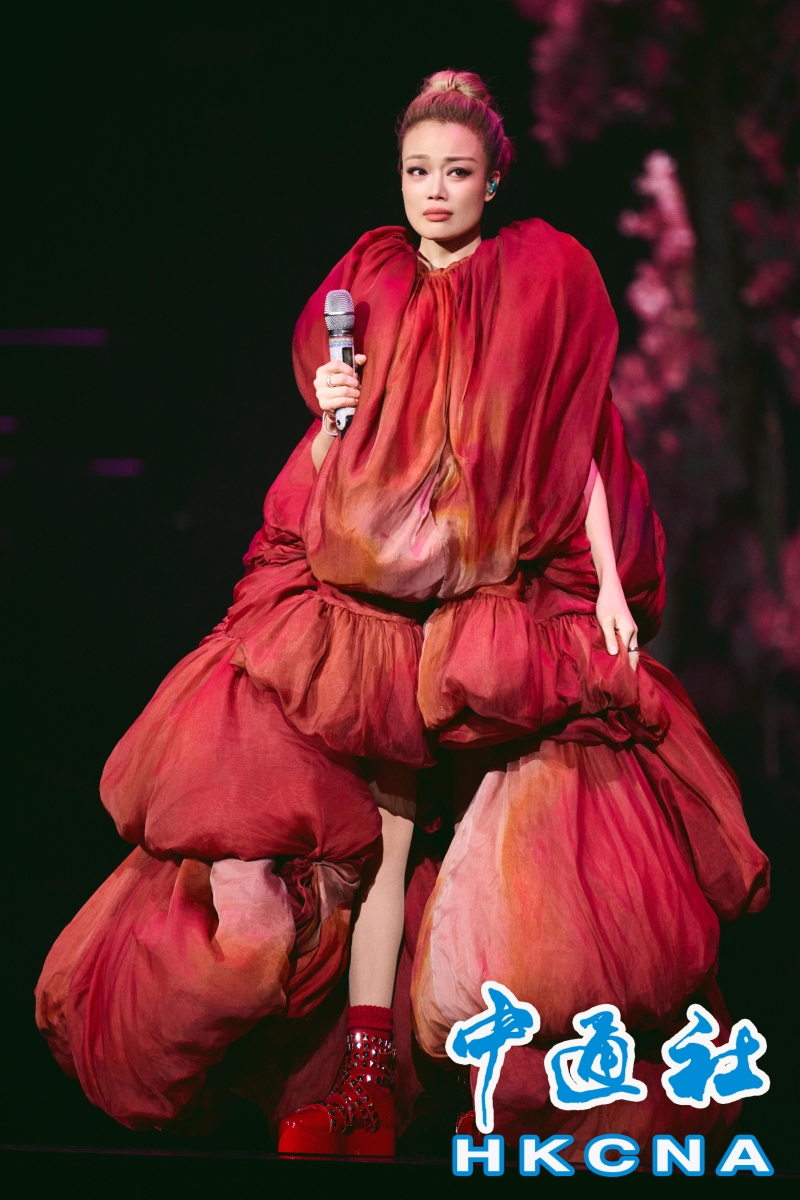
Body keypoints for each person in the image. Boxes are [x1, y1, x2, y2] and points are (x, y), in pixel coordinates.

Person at [36, 71, 769, 1165]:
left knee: (511, 855)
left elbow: (576, 444)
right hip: (371, 612)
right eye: (417, 170)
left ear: (492, 180)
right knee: (373, 852)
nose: (434, 190)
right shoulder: (369, 278)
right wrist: (332, 412)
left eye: (456, 172)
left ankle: (515, 1091)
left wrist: (610, 588)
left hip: (493, 614)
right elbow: (334, 445)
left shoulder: (540, 278)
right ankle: (363, 1083)